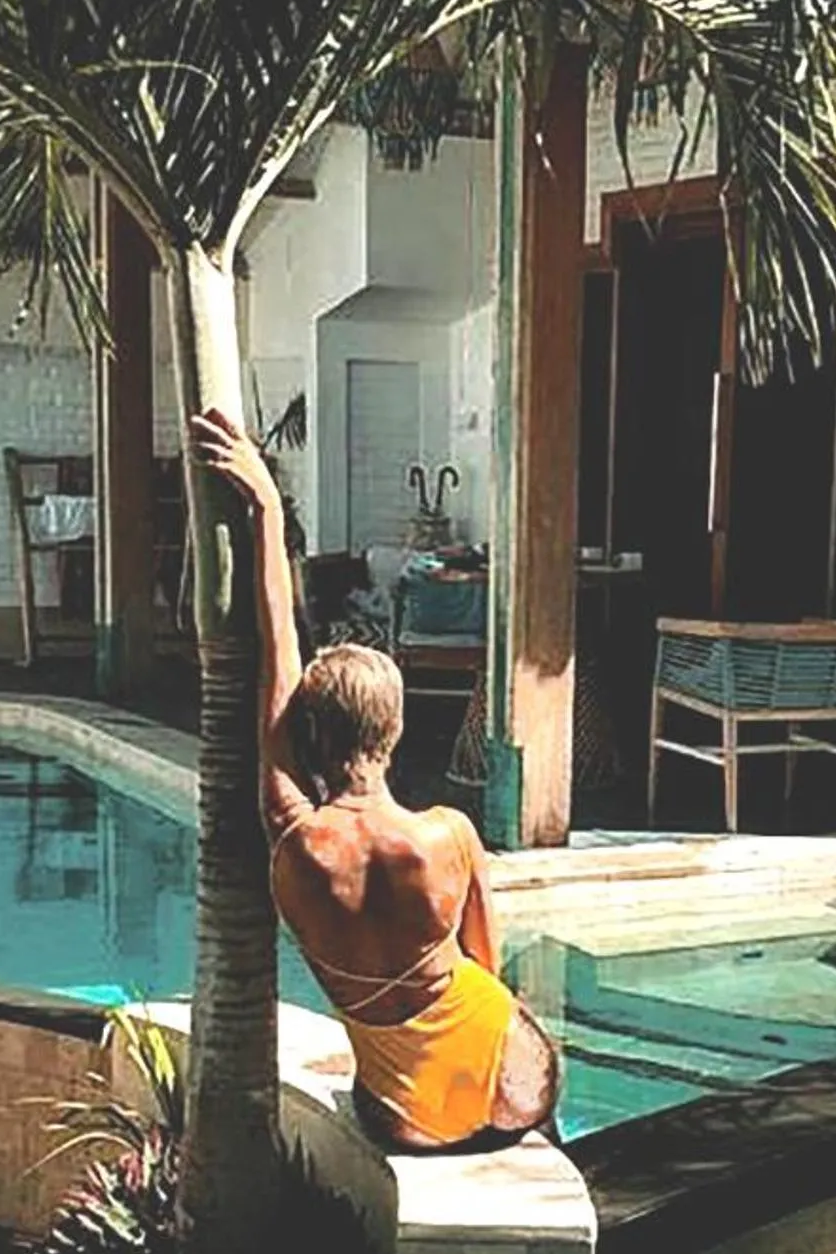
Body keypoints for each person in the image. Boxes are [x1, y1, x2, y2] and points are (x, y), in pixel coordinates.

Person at [191, 407, 560, 1150]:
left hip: (403, 1116)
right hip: (508, 1084)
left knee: (376, 1078)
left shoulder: (291, 831)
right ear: (393, 734)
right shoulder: (450, 837)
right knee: (502, 1015)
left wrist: (266, 509)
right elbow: (486, 971)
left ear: (310, 737)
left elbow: (277, 649)